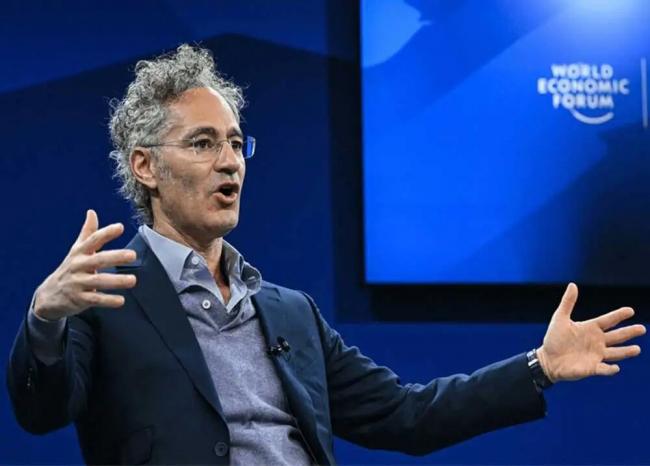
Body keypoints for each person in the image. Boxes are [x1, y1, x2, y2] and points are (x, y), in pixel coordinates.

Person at [7, 45, 646, 466]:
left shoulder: (290, 313)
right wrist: (44, 319)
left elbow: (408, 415)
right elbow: (41, 413)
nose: (230, 162)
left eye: (235, 143)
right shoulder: (103, 297)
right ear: (145, 166)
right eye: (203, 144)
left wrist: (539, 366)